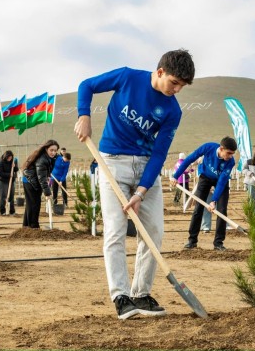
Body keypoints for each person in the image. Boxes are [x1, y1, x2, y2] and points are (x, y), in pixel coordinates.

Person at [74, 48, 195, 320]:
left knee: (153, 231)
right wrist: (84, 115)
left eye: (182, 86)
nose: (176, 90)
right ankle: (121, 296)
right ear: (160, 71)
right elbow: (87, 85)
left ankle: (141, 293)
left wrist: (141, 191)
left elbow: (160, 154)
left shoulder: (172, 111)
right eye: (174, 82)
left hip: (145, 169)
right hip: (112, 162)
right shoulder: (127, 77)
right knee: (115, 230)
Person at [172, 136, 236, 251]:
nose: (230, 156)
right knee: (198, 209)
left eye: (232, 154)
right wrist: (176, 176)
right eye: (229, 153)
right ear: (221, 149)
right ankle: (192, 241)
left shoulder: (230, 162)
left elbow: (221, 182)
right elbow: (189, 160)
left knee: (222, 210)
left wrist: (214, 200)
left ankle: (218, 243)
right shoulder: (208, 147)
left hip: (221, 182)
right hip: (205, 178)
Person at [22, 140, 58, 228]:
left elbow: (47, 170)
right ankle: (33, 226)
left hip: (32, 179)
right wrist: (47, 193)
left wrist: (48, 175)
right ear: (46, 149)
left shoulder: (51, 158)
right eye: (51, 150)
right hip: (30, 181)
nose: (53, 152)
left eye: (55, 150)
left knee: (31, 203)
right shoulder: (42, 159)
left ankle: (26, 225)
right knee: (34, 203)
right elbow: (41, 178)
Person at [0, 150, 19, 215]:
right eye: (9, 157)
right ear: (6, 157)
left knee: (11, 196)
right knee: (3, 196)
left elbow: (16, 170)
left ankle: (12, 211)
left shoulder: (12, 162)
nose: (10, 159)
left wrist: (15, 166)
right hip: (3, 181)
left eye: (11, 157)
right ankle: (2, 211)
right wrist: (9, 174)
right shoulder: (1, 162)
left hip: (11, 181)